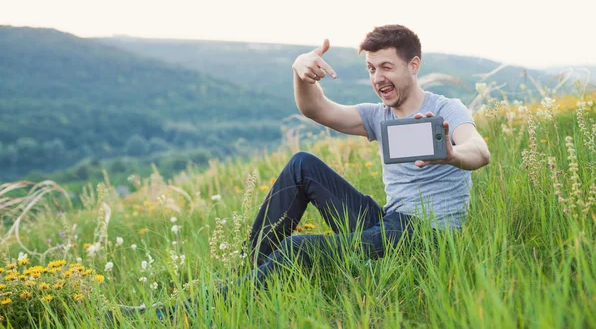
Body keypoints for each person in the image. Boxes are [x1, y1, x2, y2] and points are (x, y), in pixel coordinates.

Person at [111, 24, 490, 322]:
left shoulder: (447, 108)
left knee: (297, 249)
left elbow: (479, 150)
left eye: (386, 67)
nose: (378, 78)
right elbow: (317, 110)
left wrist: (452, 155)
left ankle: (183, 313)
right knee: (302, 164)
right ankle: (249, 276)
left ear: (413, 65)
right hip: (390, 223)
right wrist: (301, 73)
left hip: (428, 239)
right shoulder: (379, 115)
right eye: (371, 69)